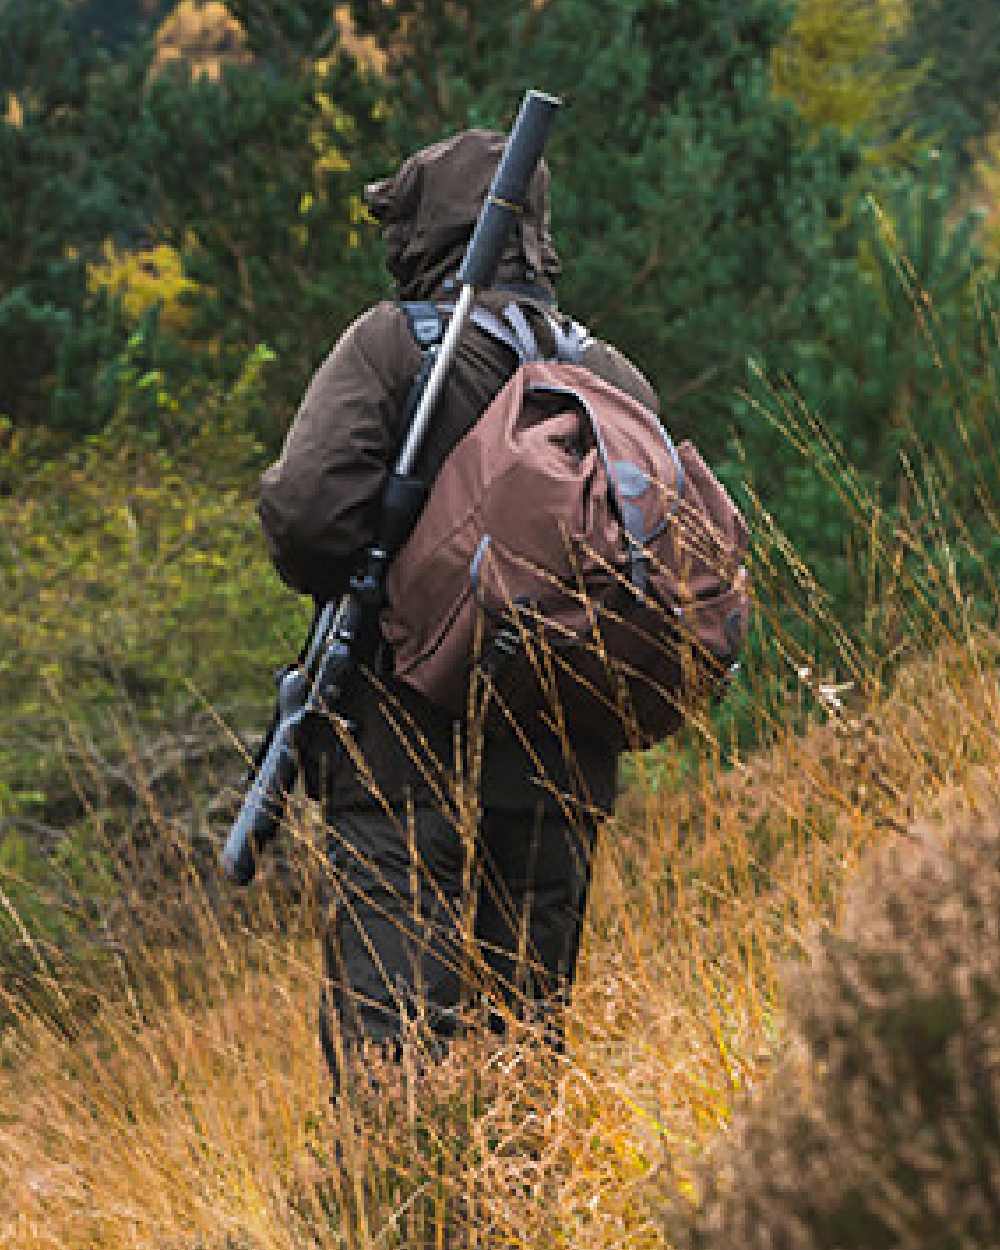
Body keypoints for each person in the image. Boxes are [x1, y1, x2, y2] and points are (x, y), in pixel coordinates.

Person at [256, 128, 660, 1088]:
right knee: (528, 1017)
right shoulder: (612, 376)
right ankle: (520, 1207)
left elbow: (306, 515)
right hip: (565, 740)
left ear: (425, 232)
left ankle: (411, 1205)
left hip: (403, 737)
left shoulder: (393, 346)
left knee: (394, 1009)